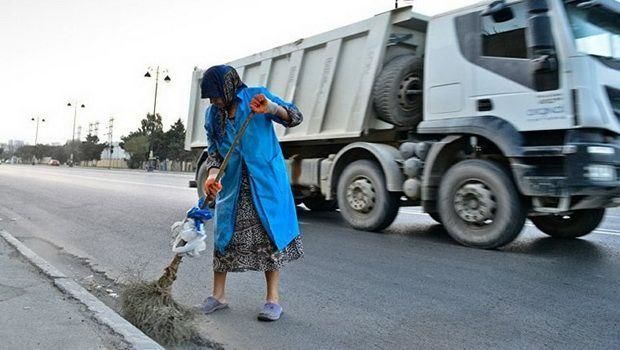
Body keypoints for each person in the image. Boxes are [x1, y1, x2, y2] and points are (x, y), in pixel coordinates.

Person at [199, 65, 303, 322]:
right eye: (210, 97)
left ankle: (272, 300)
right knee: (224, 238)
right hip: (234, 185)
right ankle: (218, 296)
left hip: (265, 182)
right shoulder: (213, 115)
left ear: (229, 87)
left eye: (216, 95)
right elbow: (214, 152)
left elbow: (294, 116)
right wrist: (212, 176)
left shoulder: (257, 96)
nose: (214, 101)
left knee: (269, 240)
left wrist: (271, 108)